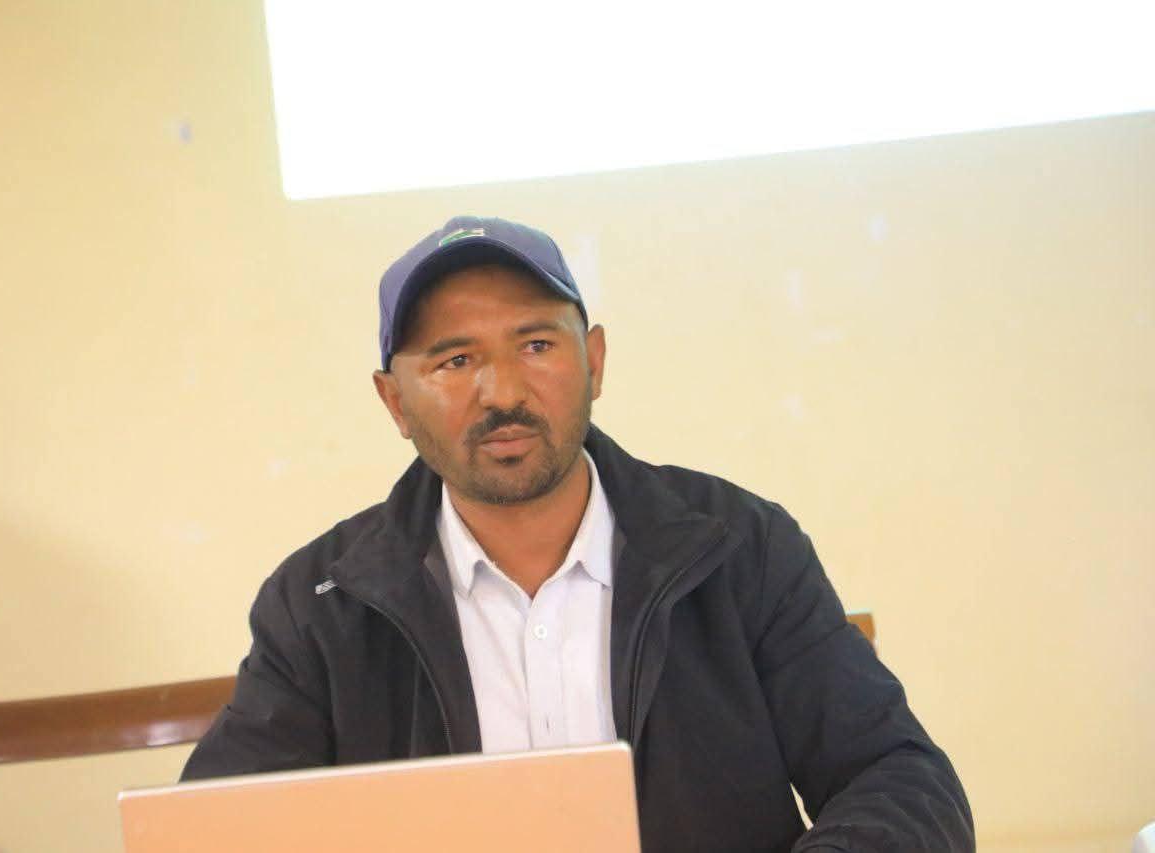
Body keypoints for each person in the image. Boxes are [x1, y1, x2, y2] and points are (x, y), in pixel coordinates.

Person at [182, 215, 974, 851]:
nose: (502, 391)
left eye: (536, 344)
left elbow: (899, 779)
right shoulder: (321, 605)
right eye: (455, 361)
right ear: (395, 402)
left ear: (594, 360)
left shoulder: (742, 546)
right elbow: (218, 831)